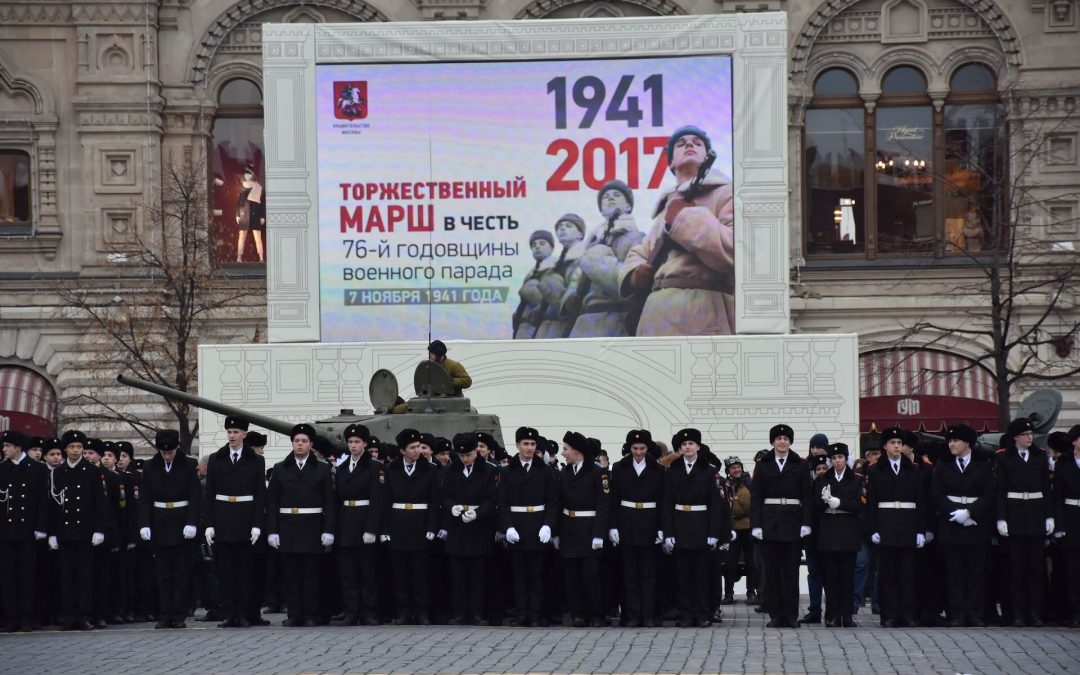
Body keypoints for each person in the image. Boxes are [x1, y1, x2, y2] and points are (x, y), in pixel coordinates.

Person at [618, 125, 735, 336]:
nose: (689, 144)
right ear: (671, 162)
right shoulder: (665, 208)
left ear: (706, 157)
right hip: (656, 313)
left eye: (697, 143)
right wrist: (635, 274)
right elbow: (640, 252)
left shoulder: (727, 194)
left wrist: (684, 217)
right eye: (681, 144)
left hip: (704, 310)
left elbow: (736, 252)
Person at [265, 424, 335, 627]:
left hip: (312, 527)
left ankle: (310, 614)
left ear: (311, 444)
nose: (300, 444)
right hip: (288, 527)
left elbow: (329, 502)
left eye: (304, 441)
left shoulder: (322, 469)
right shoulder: (280, 468)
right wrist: (272, 531)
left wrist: (328, 530)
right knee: (291, 576)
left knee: (311, 576)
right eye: (297, 441)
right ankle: (294, 614)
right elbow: (273, 502)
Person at [203, 415, 266, 628]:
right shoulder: (216, 458)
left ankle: (242, 613)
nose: (232, 436)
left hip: (245, 519)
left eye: (236, 432)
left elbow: (259, 494)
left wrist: (257, 524)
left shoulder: (256, 460)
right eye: (229, 432)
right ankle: (229, 614)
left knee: (244, 572)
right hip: (223, 519)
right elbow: (210, 494)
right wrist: (209, 524)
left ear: (244, 434)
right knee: (225, 572)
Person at [662, 428, 729, 627]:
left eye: (691, 443)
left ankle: (702, 614)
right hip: (680, 524)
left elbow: (716, 504)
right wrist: (668, 533)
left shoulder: (709, 471)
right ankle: (685, 614)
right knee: (682, 575)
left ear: (698, 446)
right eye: (684, 444)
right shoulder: (673, 470)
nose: (688, 447)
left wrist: (714, 533)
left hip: (701, 526)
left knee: (701, 575)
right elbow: (667, 504)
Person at [137, 429, 200, 629]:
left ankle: (179, 614)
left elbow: (195, 496)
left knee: (181, 573)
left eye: (170, 452)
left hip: (181, 521)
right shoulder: (150, 466)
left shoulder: (188, 464)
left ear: (176, 448)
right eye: (163, 452)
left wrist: (192, 522)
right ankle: (165, 614)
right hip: (159, 522)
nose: (167, 455)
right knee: (162, 574)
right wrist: (144, 524)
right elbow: (145, 498)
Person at [931, 423, 993, 627]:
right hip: (951, 523)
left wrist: (969, 513)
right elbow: (937, 494)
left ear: (968, 443)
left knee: (976, 572)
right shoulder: (943, 464)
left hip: (976, 523)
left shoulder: (983, 464)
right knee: (955, 572)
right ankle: (956, 613)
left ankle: (975, 613)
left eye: (956, 440)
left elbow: (989, 494)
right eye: (950, 440)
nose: (951, 444)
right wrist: (956, 513)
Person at [750, 424, 812, 628]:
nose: (782, 441)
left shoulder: (800, 464)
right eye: (779, 438)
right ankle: (775, 615)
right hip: (769, 523)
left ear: (790, 441)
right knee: (772, 573)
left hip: (793, 523)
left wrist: (806, 522)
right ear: (773, 442)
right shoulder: (763, 465)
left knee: (791, 573)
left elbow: (807, 496)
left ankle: (791, 615)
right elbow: (756, 497)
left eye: (786, 438)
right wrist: (756, 525)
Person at [48, 430, 110, 631]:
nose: (75, 450)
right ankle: (69, 616)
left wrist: (99, 529)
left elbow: (100, 503)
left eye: (79, 447)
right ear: (65, 449)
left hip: (85, 531)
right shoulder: (57, 472)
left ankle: (84, 615)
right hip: (65, 532)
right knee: (66, 577)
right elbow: (53, 505)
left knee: (85, 576)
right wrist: (52, 533)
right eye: (72, 447)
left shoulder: (92, 471)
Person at [565, 179, 644, 338]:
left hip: (615, 323)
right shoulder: (590, 243)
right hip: (582, 323)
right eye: (605, 197)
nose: (610, 198)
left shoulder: (638, 238)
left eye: (617, 195)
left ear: (628, 207)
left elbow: (632, 286)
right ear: (601, 209)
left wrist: (595, 258)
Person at [994, 417, 1053, 627]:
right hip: (1015, 516)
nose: (1029, 438)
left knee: (1036, 569)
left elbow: (1046, 488)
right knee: (1016, 570)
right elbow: (1000, 490)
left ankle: (1035, 613)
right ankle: (1018, 614)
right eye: (1025, 435)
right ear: (1015, 437)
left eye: (1031, 434)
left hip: (1035, 515)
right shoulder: (1003, 457)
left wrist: (1049, 516)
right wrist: (1001, 518)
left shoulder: (1040, 456)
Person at [498, 426, 558, 627]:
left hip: (538, 526)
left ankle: (536, 615)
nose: (530, 448)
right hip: (517, 527)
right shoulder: (507, 471)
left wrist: (548, 525)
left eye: (532, 444)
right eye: (525, 444)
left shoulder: (545, 470)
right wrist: (508, 527)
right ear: (517, 445)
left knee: (537, 575)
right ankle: (521, 614)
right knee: (519, 576)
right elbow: (503, 503)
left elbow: (552, 501)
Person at [866, 427, 923, 628]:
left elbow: (920, 501)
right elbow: (871, 502)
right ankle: (889, 615)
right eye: (893, 443)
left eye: (899, 443)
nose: (897, 446)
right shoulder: (875, 470)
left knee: (907, 573)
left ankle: (908, 614)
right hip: (886, 524)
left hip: (908, 524)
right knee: (888, 573)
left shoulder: (913, 469)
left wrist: (920, 531)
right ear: (885, 446)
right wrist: (873, 529)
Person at [382, 428, 440, 625]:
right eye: (413, 447)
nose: (418, 451)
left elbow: (434, 502)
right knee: (400, 573)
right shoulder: (391, 470)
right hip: (398, 525)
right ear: (402, 450)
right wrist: (385, 530)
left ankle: (422, 611)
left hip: (420, 523)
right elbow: (385, 502)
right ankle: (403, 611)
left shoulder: (430, 470)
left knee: (420, 573)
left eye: (419, 446)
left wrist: (432, 527)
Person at [441, 432, 499, 625]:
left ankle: (477, 613)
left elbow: (492, 499)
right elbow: (445, 495)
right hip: (457, 526)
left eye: (468, 455)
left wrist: (477, 513)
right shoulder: (451, 470)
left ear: (476, 451)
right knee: (458, 575)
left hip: (479, 527)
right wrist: (452, 507)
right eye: (461, 455)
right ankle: (459, 613)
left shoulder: (489, 470)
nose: (465, 459)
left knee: (477, 575)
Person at [608, 430, 664, 627]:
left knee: (648, 574)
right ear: (629, 448)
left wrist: (661, 527)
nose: (639, 452)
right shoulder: (619, 467)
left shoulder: (658, 469)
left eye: (642, 448)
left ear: (647, 448)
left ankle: (648, 615)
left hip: (649, 523)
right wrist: (613, 526)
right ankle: (632, 615)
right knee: (629, 573)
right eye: (635, 448)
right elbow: (613, 500)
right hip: (627, 523)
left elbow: (663, 500)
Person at [556, 431, 610, 627]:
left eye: (566, 449)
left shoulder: (597, 472)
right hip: (569, 529)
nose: (563, 453)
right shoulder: (565, 472)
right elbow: (559, 503)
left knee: (591, 576)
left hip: (589, 529)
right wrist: (556, 532)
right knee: (572, 577)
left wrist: (599, 534)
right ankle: (577, 614)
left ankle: (596, 614)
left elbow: (603, 504)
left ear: (577, 451)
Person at [334, 423, 384, 626]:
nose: (353, 445)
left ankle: (369, 612)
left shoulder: (374, 467)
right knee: (348, 574)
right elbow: (337, 500)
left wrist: (371, 528)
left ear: (365, 443)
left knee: (367, 572)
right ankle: (351, 611)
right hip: (346, 523)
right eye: (350, 442)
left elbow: (377, 500)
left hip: (364, 521)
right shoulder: (342, 468)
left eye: (357, 442)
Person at [0, 429, 49, 632]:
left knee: (27, 577)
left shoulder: (37, 469)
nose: (4, 449)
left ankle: (27, 617)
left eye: (7, 446)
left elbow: (43, 501)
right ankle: (11, 618)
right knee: (8, 577)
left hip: (28, 532)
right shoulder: (2, 469)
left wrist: (41, 527)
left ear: (18, 447)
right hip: (6, 532)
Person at [813, 442, 864, 628]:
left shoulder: (856, 479)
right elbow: (815, 505)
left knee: (847, 576)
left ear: (846, 458)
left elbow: (859, 505)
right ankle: (832, 615)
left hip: (848, 530)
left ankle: (847, 615)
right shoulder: (823, 479)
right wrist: (824, 501)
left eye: (840, 457)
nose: (837, 461)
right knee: (830, 577)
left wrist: (839, 502)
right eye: (834, 458)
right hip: (829, 530)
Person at [535, 213, 588, 339]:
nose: (562, 229)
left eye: (568, 226)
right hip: (550, 324)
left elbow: (574, 297)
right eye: (560, 227)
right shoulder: (558, 262)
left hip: (568, 323)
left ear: (580, 234)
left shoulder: (585, 256)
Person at [1053, 425, 1080, 627]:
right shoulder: (1064, 464)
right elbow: (1058, 497)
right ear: (1074, 441)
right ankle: (1075, 612)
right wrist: (1059, 525)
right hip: (1071, 518)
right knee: (1073, 571)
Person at [723, 455, 756, 606]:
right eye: (733, 468)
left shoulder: (749, 483)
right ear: (728, 470)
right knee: (730, 563)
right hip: (732, 528)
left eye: (738, 467)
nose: (736, 470)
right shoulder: (724, 485)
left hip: (748, 527)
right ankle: (729, 594)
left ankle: (751, 592)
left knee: (751, 562)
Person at [513, 230, 555, 339]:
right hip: (524, 325)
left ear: (551, 248)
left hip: (543, 325)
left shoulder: (557, 267)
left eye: (542, 243)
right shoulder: (530, 273)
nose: (537, 247)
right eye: (534, 245)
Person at [236, 164, 265, 263]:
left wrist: (262, 216)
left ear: (252, 174)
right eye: (246, 174)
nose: (247, 176)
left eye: (249, 174)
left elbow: (262, 202)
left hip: (255, 214)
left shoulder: (258, 187)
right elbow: (239, 201)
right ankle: (239, 257)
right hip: (244, 214)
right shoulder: (242, 186)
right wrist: (237, 214)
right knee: (241, 236)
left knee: (258, 236)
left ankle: (261, 256)